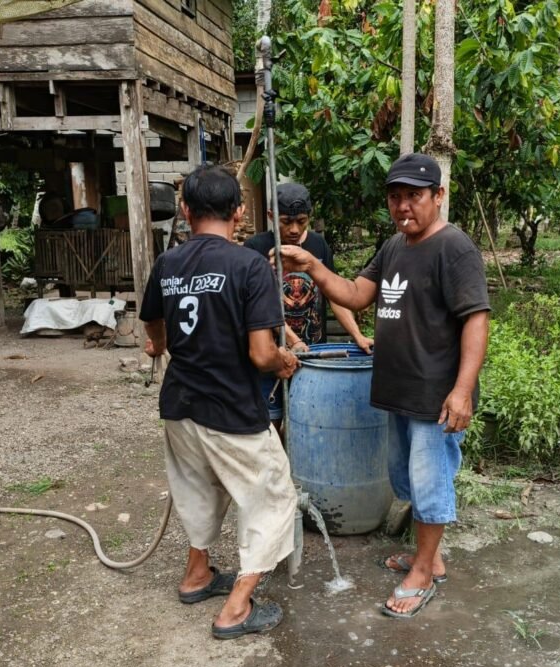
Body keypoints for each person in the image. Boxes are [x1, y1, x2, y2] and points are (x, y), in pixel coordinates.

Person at [279, 153, 490, 619]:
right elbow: (356, 294)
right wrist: (313, 265)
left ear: (438, 196)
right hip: (398, 390)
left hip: (435, 395)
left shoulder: (455, 248)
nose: (403, 206)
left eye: (414, 196)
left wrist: (462, 391)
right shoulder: (395, 247)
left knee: (430, 481)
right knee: (405, 478)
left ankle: (422, 575)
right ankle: (428, 557)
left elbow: (476, 319)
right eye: (395, 197)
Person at [140, 163, 300, 640]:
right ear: (239, 211)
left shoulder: (167, 264)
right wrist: (282, 361)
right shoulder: (248, 266)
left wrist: (160, 344)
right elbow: (260, 352)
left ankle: (197, 575)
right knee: (273, 495)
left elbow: (153, 328)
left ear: (186, 211)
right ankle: (236, 608)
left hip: (180, 405)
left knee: (200, 489)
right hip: (230, 407)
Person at [245, 183, 374, 355]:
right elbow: (262, 306)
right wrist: (294, 341)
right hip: (275, 357)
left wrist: (358, 335)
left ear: (309, 216)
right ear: (271, 216)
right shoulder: (255, 248)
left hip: (315, 352)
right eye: (286, 222)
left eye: (301, 221)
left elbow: (333, 296)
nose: (294, 230)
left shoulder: (318, 245)